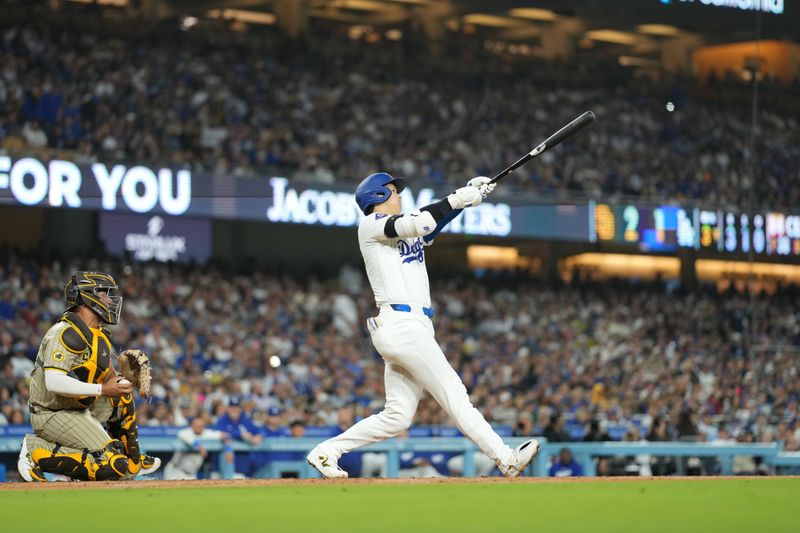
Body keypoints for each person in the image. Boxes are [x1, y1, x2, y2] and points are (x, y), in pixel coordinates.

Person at [307, 172, 540, 478]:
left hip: (410, 325)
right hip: (401, 324)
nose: (399, 195)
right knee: (454, 394)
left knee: (397, 417)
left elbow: (431, 226)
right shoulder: (372, 225)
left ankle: (326, 451)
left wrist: (467, 198)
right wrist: (457, 197)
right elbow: (423, 222)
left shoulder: (403, 229)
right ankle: (505, 458)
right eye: (393, 191)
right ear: (376, 197)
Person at [16, 271, 160, 481]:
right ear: (87, 297)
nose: (110, 300)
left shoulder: (98, 334)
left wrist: (127, 381)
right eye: (104, 294)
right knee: (112, 467)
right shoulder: (63, 332)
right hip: (51, 413)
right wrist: (103, 389)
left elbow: (109, 380)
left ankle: (132, 462)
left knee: (121, 398)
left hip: (78, 407)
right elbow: (53, 381)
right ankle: (35, 449)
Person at [164, 415, 229, 480]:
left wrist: (228, 449)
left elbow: (224, 435)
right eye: (196, 425)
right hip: (176, 471)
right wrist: (199, 446)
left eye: (200, 425)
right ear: (191, 426)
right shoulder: (186, 432)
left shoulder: (206, 433)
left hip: (192, 475)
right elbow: (182, 434)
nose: (198, 427)